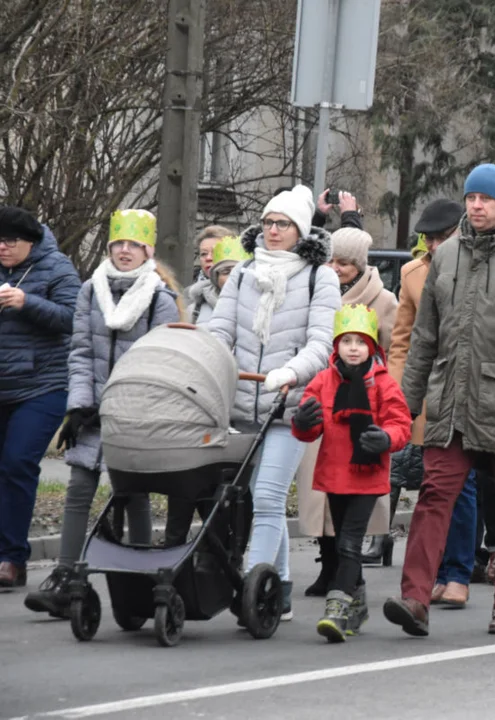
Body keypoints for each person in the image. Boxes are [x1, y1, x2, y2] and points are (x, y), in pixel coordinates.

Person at [383, 163, 495, 637]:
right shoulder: (446, 257)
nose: (477, 205)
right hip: (453, 402)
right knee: (434, 496)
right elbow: (424, 337)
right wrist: (405, 404)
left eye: (485, 198)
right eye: (470, 198)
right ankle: (415, 598)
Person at [25, 210, 180, 614]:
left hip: (136, 413)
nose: (124, 251)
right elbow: (80, 352)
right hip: (91, 410)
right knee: (78, 488)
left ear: (147, 251)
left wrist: (121, 407)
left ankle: (142, 577)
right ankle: (66, 576)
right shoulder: (91, 291)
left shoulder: (159, 299)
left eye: (133, 245)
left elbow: (157, 364)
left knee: (133, 493)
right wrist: (78, 406)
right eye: (118, 244)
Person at [208, 185, 340, 621]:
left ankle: (250, 584)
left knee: (266, 496)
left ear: (300, 228)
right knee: (251, 497)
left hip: (290, 405)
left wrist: (291, 373)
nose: (272, 230)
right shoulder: (245, 273)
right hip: (242, 403)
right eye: (267, 222)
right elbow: (220, 331)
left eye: (282, 224)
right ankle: (277, 585)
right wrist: (212, 364)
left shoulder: (319, 276)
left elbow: (322, 344)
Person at [291, 303, 411, 642]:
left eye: (361, 342)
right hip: (334, 475)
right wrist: (300, 423)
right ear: (336, 346)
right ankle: (358, 602)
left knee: (348, 543)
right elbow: (308, 428)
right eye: (347, 341)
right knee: (343, 540)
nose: (354, 348)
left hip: (368, 477)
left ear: (372, 346)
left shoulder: (384, 384)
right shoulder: (322, 381)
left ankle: (337, 608)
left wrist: (386, 437)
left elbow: (401, 423)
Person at [296, 225, 399, 595]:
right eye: (332, 260)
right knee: (322, 493)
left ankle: (349, 574)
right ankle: (329, 567)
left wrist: (384, 394)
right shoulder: (315, 290)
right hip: (326, 397)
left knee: (354, 498)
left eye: (344, 263)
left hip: (364, 405)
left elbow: (393, 348)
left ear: (359, 265)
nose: (336, 268)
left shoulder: (384, 300)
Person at [387, 199, 479, 607]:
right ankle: (436, 576)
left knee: (464, 485)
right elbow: (401, 342)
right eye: (430, 238)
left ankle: (458, 573)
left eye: (444, 237)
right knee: (435, 486)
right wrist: (397, 397)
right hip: (428, 393)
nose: (436, 244)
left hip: (471, 390)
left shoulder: (477, 266)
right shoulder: (411, 274)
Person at [0, 207, 80, 591]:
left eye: (10, 242)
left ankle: (11, 559)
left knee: (17, 462)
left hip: (42, 385)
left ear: (30, 242)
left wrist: (25, 303)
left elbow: (75, 317)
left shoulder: (56, 267)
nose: (2, 248)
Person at [186, 225, 233, 323]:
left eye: (216, 252)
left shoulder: (245, 290)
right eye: (203, 254)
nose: (208, 258)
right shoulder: (189, 296)